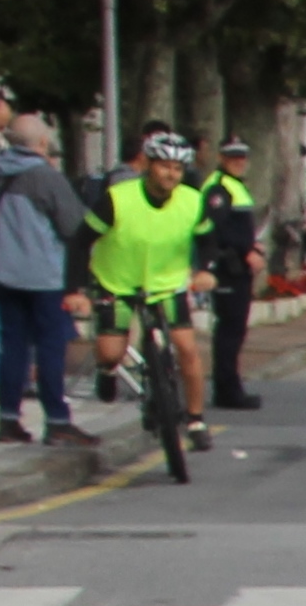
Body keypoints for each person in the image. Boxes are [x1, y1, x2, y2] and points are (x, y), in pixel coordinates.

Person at [88, 130, 216, 449]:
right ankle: (106, 372)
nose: (171, 174)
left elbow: (208, 239)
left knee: (187, 347)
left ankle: (196, 419)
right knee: (110, 353)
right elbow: (80, 240)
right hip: (117, 280)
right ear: (147, 164)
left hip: (167, 283)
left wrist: (204, 271)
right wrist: (75, 289)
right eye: (164, 166)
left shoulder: (191, 201)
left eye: (177, 168)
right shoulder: (118, 198)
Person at [0, 107, 83, 446]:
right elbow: (74, 225)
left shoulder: (0, 171)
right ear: (43, 142)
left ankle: (7, 419)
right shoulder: (46, 177)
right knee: (50, 346)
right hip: (44, 277)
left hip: (3, 274)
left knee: (12, 346)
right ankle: (58, 420)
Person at [200, 137, 265, 408]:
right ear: (221, 158)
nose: (239, 162)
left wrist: (252, 245)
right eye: (233, 157)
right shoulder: (218, 188)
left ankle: (230, 386)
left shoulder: (234, 186)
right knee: (229, 329)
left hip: (238, 266)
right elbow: (217, 229)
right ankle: (227, 391)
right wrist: (244, 250)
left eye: (242, 157)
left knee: (235, 329)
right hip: (228, 267)